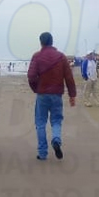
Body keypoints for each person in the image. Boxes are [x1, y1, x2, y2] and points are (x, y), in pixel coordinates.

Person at [28, 32, 76, 160]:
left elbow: (31, 76)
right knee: (56, 120)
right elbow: (69, 77)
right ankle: (56, 139)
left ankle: (42, 153)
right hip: (56, 94)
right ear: (52, 42)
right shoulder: (61, 57)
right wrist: (72, 95)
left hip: (42, 94)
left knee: (40, 122)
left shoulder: (37, 56)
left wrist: (36, 88)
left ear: (41, 42)